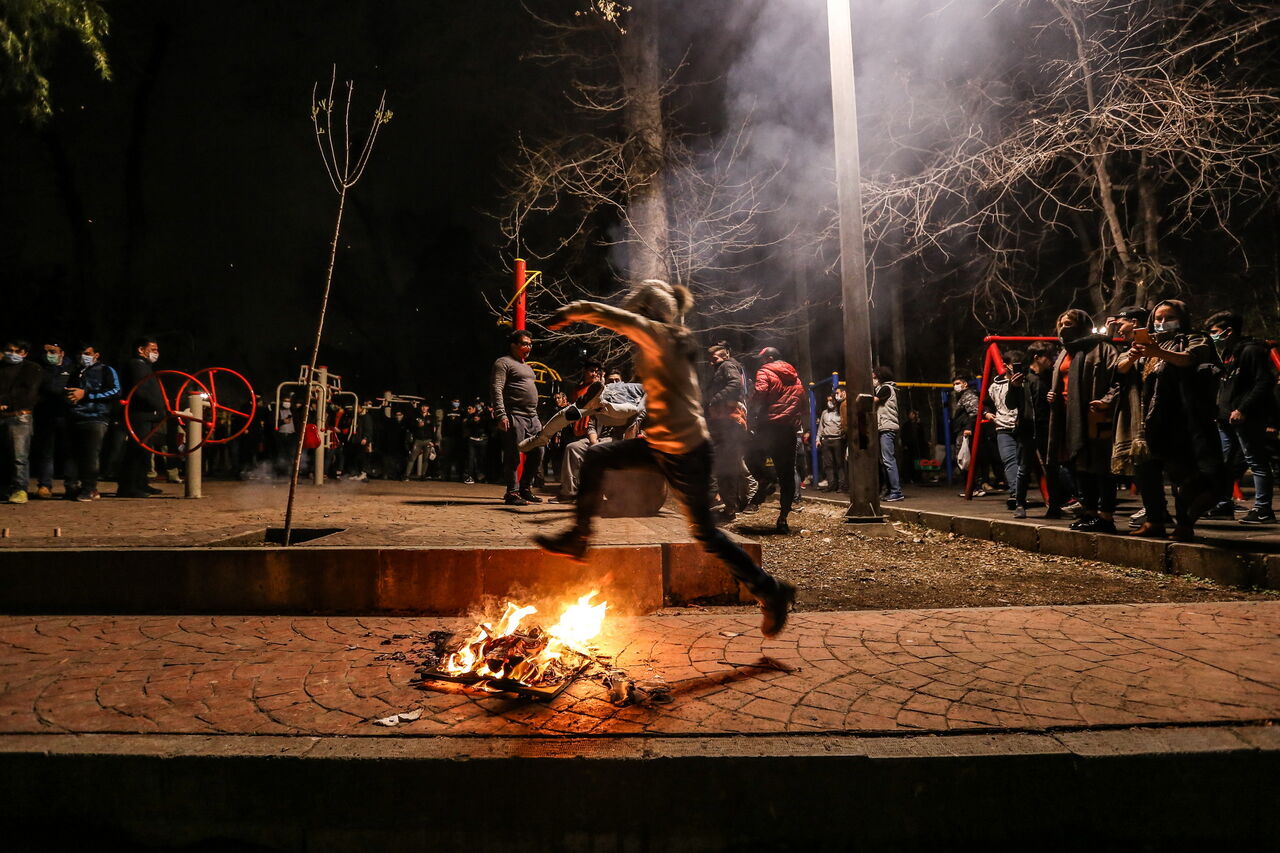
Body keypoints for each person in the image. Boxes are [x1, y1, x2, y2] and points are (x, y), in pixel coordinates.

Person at [532, 280, 797, 636]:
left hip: (686, 450)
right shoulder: (669, 338)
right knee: (598, 456)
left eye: (638, 312)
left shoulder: (659, 333)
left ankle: (771, 590)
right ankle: (578, 538)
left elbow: (611, 316)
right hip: (663, 445)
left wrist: (572, 310)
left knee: (704, 534)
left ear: (648, 312)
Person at [1124, 300, 1224, 540]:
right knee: (1146, 470)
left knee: (1184, 475)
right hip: (1149, 419)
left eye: (1167, 317)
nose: (1161, 323)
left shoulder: (1194, 338)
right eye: (1157, 318)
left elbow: (1191, 358)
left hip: (1181, 418)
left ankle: (1185, 523)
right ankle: (1154, 520)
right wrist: (1133, 356)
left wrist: (1159, 353)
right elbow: (1132, 374)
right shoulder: (1149, 345)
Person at [1047, 309, 1118, 533]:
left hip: (1094, 414)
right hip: (1068, 416)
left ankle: (1106, 516)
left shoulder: (1102, 348)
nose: (1063, 328)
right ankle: (1089, 513)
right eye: (1060, 324)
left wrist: (1107, 400)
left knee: (1101, 466)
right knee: (1079, 466)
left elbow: (1119, 380)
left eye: (1068, 323)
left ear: (1082, 325)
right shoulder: (1064, 352)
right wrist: (1053, 393)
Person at [1207, 310, 1278, 524]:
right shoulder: (1229, 353)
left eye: (1215, 332)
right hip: (1226, 418)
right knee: (1224, 463)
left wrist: (1243, 409)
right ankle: (1223, 503)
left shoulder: (1252, 351)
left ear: (1228, 331)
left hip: (1245, 417)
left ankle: (1263, 509)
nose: (1212, 336)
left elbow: (1264, 382)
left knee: (1256, 461)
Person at [746, 347, 804, 532]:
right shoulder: (796, 377)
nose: (761, 362)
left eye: (763, 359)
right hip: (788, 429)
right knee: (787, 473)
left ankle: (766, 479)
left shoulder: (765, 371)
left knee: (752, 455)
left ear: (770, 358)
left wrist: (751, 406)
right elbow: (802, 400)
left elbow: (760, 393)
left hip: (769, 425)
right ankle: (783, 518)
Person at [490, 329, 545, 505]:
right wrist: (501, 414)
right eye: (524, 343)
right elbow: (496, 389)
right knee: (513, 455)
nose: (528, 347)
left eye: (530, 343)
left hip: (532, 417)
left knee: (539, 451)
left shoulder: (527, 367)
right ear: (513, 345)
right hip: (515, 415)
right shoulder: (503, 363)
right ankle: (512, 493)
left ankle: (525, 488)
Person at [65, 343, 120, 501]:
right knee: (72, 455)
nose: (84, 356)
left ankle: (89, 488)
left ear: (96, 355)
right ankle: (71, 487)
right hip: (74, 416)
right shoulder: (75, 371)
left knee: (91, 454)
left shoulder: (106, 370)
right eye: (81, 353)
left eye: (87, 353)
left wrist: (87, 394)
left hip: (96, 416)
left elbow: (115, 391)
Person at [1014, 341, 1061, 518]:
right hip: (1027, 428)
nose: (1051, 360)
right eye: (1047, 357)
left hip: (1047, 427)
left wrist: (1054, 398)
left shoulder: (1051, 377)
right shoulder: (1023, 378)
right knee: (1024, 468)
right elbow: (1011, 404)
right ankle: (1020, 504)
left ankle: (1054, 505)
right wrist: (1014, 387)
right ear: (1036, 357)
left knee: (1052, 468)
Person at [117, 336, 165, 498]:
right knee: (136, 450)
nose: (156, 353)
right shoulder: (136, 365)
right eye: (153, 349)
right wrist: (158, 407)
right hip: (138, 414)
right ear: (140, 349)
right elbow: (141, 390)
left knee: (145, 451)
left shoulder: (145, 366)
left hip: (147, 414)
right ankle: (128, 486)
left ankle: (141, 483)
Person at [705, 345, 750, 517]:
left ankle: (732, 505)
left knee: (726, 465)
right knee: (726, 464)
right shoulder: (722, 367)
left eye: (714, 359)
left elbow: (735, 383)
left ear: (725, 356)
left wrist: (715, 399)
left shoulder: (727, 366)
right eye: (710, 360)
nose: (712, 363)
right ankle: (731, 504)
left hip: (729, 421)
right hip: (723, 421)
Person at [0, 340, 43, 504]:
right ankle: (4, 489)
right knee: (3, 456)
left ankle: (20, 489)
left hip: (19, 416)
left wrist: (4, 402)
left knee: (19, 456)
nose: (13, 354)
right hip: (2, 415)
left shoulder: (32, 368)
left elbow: (27, 393)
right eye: (9, 350)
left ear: (24, 353)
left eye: (17, 351)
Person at [31, 339, 74, 499]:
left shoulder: (73, 368)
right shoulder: (38, 368)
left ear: (62, 353)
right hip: (45, 414)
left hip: (67, 415)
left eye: (52, 352)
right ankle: (44, 485)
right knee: (45, 452)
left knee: (70, 452)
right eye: (45, 352)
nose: (48, 355)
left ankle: (71, 485)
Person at [986, 353, 1024, 514]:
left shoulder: (1025, 381)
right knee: (1010, 461)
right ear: (1005, 364)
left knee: (1030, 463)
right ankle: (1016, 494)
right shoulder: (995, 385)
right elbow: (985, 403)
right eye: (1012, 364)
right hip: (1003, 427)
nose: (1013, 367)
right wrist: (986, 413)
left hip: (1023, 426)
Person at [872, 365, 905, 502]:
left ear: (880, 377)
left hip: (887, 427)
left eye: (874, 377)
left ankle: (896, 491)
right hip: (883, 427)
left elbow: (874, 401)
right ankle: (890, 490)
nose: (872, 379)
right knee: (885, 460)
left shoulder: (886, 388)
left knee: (888, 460)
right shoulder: (883, 388)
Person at [817, 394, 845, 492]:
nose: (829, 402)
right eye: (828, 400)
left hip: (837, 439)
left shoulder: (840, 411)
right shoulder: (824, 413)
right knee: (828, 464)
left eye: (831, 400)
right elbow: (821, 427)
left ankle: (841, 485)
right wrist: (818, 439)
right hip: (826, 440)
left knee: (839, 464)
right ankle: (831, 484)